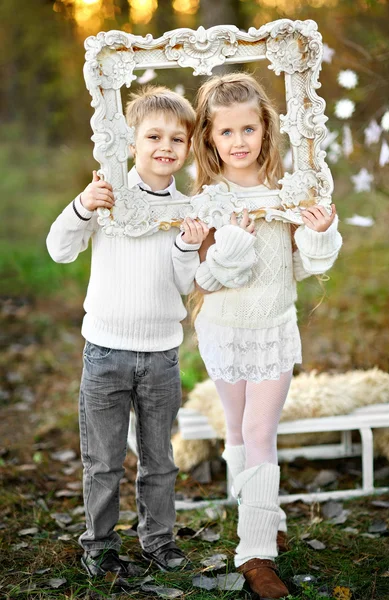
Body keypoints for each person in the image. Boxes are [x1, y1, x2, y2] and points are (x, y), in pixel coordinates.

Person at [46, 86, 209, 580]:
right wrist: (81, 205)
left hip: (160, 354)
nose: (165, 146)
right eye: (153, 136)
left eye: (176, 139)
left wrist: (187, 245)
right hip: (106, 351)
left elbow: (185, 284)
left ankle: (158, 539)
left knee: (160, 459)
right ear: (132, 142)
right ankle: (98, 543)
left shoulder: (186, 207)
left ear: (188, 147)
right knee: (104, 459)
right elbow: (59, 249)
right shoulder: (107, 196)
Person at [190, 73, 342, 599]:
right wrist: (230, 240)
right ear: (209, 136)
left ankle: (256, 556)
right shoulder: (209, 198)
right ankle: (257, 515)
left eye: (248, 128)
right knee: (236, 429)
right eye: (226, 132)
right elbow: (206, 274)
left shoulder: (288, 190)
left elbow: (296, 266)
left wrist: (318, 235)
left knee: (260, 433)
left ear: (266, 129)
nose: (239, 141)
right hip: (224, 328)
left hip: (273, 328)